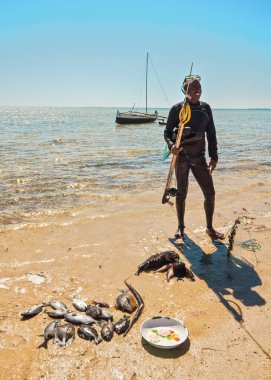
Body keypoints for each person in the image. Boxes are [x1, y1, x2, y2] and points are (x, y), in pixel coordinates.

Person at [164, 76, 225, 240]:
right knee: (181, 193)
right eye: (192, 87)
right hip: (182, 158)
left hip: (199, 158)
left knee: (210, 193)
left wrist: (214, 156)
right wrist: (171, 146)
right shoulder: (177, 109)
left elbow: (211, 133)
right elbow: (167, 132)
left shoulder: (206, 109)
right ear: (184, 90)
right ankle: (181, 227)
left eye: (199, 86)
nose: (197, 90)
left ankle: (210, 228)